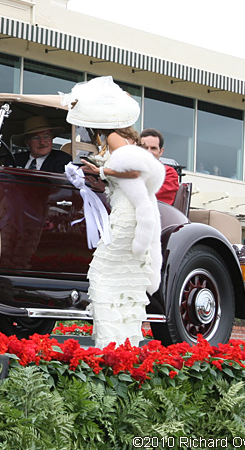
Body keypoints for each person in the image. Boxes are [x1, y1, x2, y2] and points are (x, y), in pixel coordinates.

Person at [62, 76, 165, 348]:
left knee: (102, 274)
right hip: (125, 213)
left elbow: (134, 170)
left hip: (127, 216)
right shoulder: (115, 139)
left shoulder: (114, 137)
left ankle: (110, 343)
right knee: (122, 279)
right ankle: (121, 343)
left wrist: (101, 170)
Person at [139, 128, 180, 205]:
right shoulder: (129, 170)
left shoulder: (168, 173)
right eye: (145, 148)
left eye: (153, 148)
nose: (149, 152)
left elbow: (158, 202)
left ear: (161, 152)